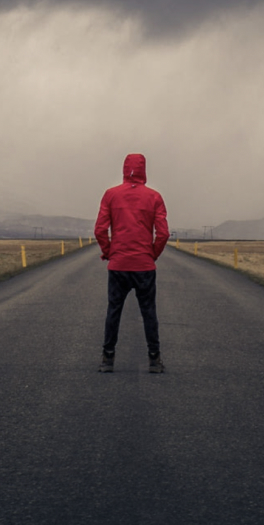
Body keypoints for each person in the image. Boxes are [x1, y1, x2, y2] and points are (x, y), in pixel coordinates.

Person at [94, 153, 169, 373]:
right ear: (144, 169)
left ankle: (108, 359)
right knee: (148, 311)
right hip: (144, 266)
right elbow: (163, 233)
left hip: (118, 265)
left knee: (114, 310)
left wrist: (109, 252)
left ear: (125, 169)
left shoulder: (111, 195)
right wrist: (152, 254)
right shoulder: (154, 197)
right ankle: (154, 360)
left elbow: (99, 230)